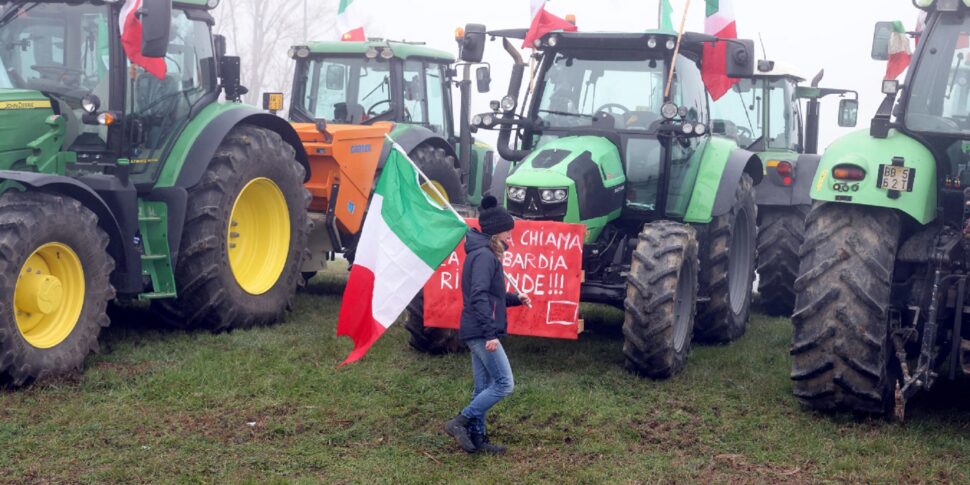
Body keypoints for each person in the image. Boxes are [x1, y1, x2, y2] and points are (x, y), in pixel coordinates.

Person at [444, 195, 531, 454]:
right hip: (482, 331)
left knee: (483, 386)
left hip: (477, 329)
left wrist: (516, 298)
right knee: (505, 383)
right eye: (508, 233)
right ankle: (459, 421)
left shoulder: (483, 254)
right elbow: (479, 296)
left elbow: (492, 295)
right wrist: (490, 333)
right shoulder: (484, 257)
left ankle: (477, 438)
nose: (511, 239)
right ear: (497, 234)